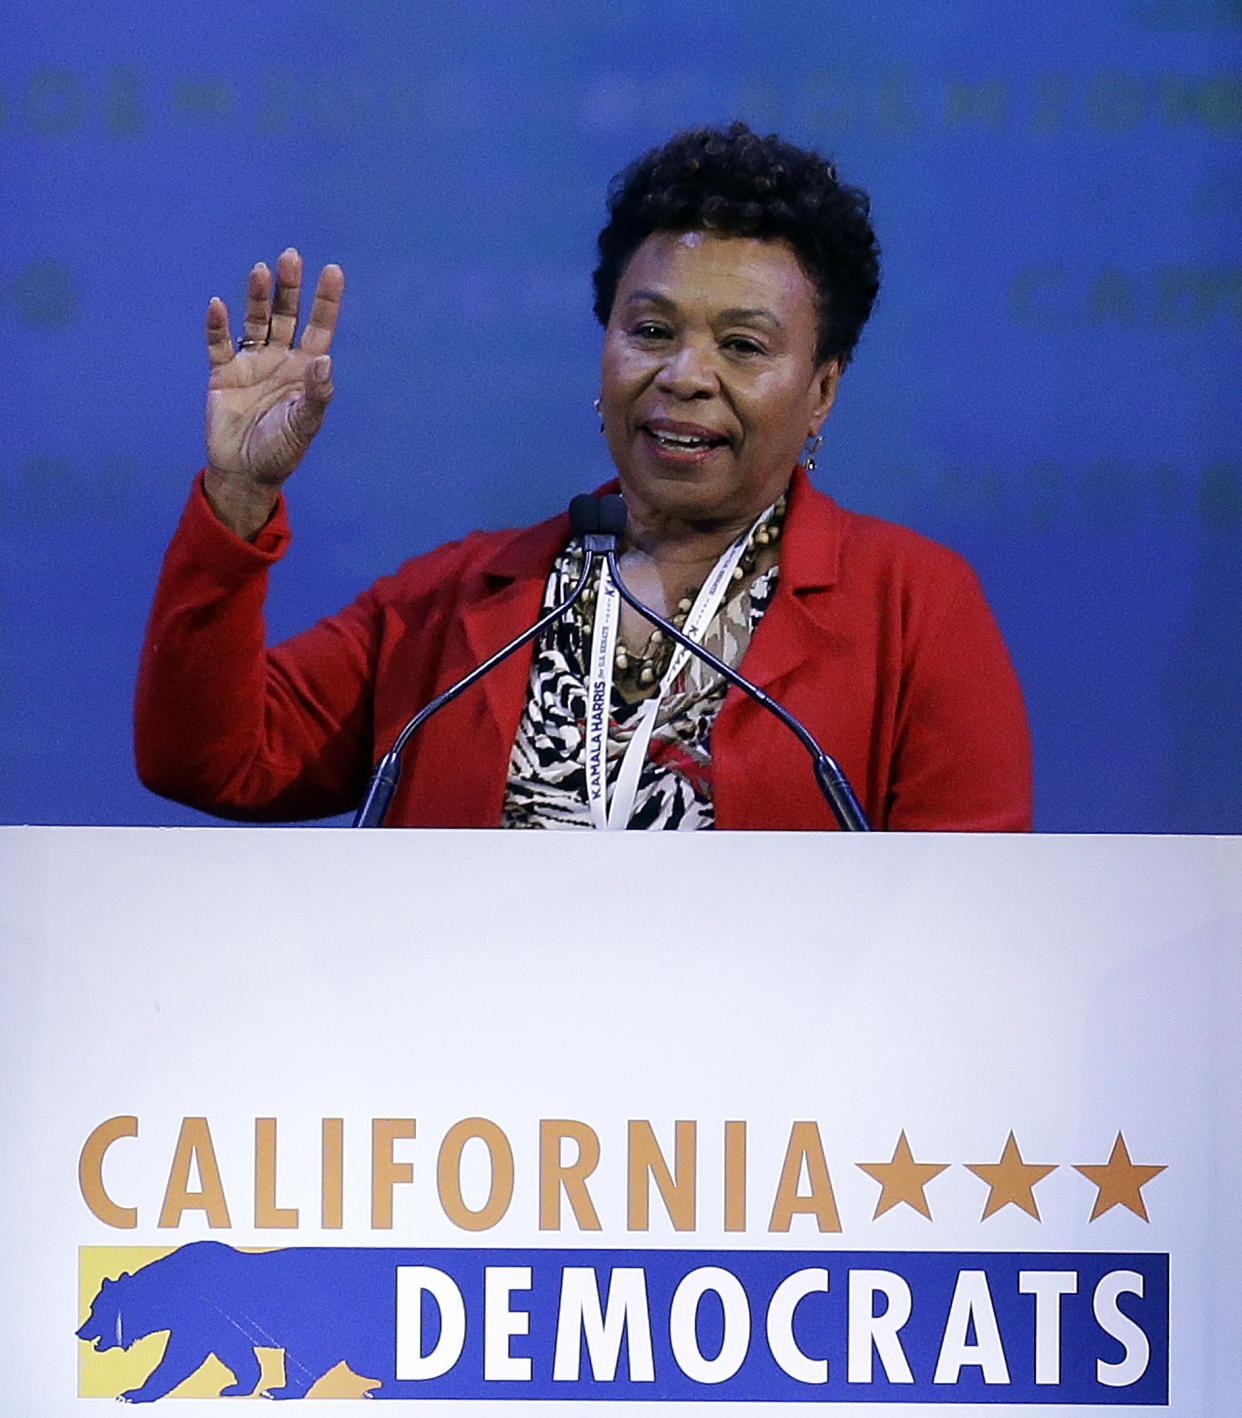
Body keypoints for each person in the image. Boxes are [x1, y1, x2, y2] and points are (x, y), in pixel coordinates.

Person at [135, 123, 1031, 830]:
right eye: (649, 331)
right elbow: (210, 758)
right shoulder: (461, 602)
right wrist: (239, 495)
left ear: (822, 390)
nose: (684, 374)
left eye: (744, 346)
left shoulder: (916, 609)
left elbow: (960, 918)